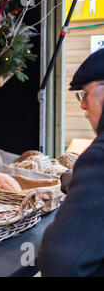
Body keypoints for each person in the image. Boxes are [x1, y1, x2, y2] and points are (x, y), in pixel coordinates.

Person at [38, 48, 104, 277]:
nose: (83, 105)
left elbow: (60, 260)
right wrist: (77, 181)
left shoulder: (99, 157)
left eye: (85, 94)